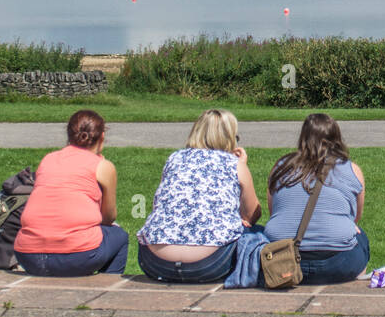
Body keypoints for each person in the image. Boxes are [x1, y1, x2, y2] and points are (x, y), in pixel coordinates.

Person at [136, 109, 262, 283]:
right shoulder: (234, 164)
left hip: (155, 262)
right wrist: (242, 167)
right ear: (230, 137)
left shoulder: (174, 159)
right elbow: (252, 214)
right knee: (258, 234)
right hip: (210, 264)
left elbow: (160, 204)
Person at [14, 110, 127, 276]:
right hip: (76, 256)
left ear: (69, 135)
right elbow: (109, 217)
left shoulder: (48, 159)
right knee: (120, 236)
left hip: (28, 255)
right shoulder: (103, 166)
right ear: (101, 137)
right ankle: (107, 288)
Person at [265, 113, 367, 285]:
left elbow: (273, 210)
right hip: (338, 263)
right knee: (360, 236)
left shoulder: (281, 167)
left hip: (284, 259)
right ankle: (355, 284)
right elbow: (355, 217)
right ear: (336, 137)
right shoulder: (351, 169)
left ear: (303, 137)